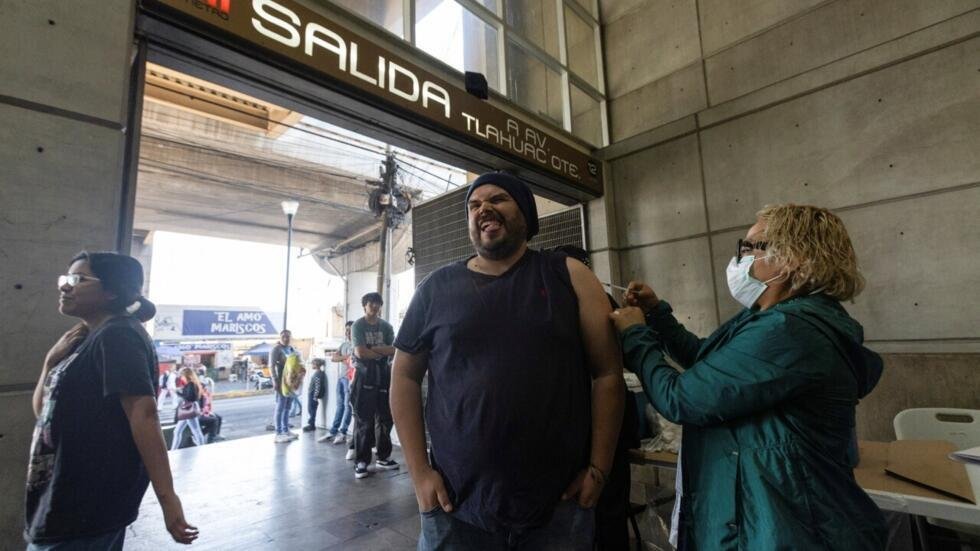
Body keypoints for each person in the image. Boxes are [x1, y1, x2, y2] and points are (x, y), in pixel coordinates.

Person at [609, 204, 887, 549]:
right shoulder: (771, 318)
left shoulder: (789, 330)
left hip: (790, 528)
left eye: (751, 247)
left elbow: (681, 398)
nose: (740, 258)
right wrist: (656, 315)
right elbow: (707, 360)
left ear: (793, 258)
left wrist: (634, 336)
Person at [390, 172, 624, 550]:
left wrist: (599, 469)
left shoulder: (569, 276)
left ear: (526, 215)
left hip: (558, 507)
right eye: (474, 205)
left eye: (497, 199)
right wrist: (419, 473)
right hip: (455, 506)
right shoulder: (435, 288)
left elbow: (608, 374)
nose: (483, 208)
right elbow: (403, 378)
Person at [26, 251, 197, 549]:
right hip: (61, 498)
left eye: (78, 279)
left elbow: (143, 415)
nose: (65, 286)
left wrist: (168, 501)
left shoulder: (118, 335)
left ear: (112, 291)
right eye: (65, 278)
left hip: (87, 505)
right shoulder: (85, 339)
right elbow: (44, 412)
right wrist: (49, 362)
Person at [552, 245, 640, 551]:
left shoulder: (598, 300)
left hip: (603, 427)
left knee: (605, 510)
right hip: (582, 427)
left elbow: (617, 366)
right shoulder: (558, 302)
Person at [350, 292, 398, 479]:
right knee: (364, 420)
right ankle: (361, 461)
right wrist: (380, 351)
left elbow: (394, 350)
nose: (375, 307)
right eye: (371, 304)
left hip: (384, 376)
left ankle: (383, 457)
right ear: (365, 306)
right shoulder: (358, 326)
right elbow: (360, 353)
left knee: (386, 418)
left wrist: (372, 350)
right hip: (364, 377)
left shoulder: (386, 326)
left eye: (378, 304)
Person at [320, 321, 354, 444]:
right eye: (346, 330)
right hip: (341, 378)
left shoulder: (357, 344)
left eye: (350, 329)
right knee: (340, 405)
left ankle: (343, 432)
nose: (348, 332)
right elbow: (334, 358)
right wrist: (346, 357)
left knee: (347, 406)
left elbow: (354, 359)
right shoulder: (344, 344)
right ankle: (333, 431)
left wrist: (344, 358)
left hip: (351, 380)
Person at [270, 330, 299, 443]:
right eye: (283, 336)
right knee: (280, 406)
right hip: (280, 382)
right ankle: (278, 433)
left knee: (287, 407)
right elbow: (271, 366)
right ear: (280, 337)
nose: (286, 338)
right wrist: (275, 381)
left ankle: (286, 430)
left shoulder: (291, 348)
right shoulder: (276, 349)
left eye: (288, 336)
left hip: (290, 382)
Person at [170, 367, 206, 450]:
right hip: (188, 410)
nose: (181, 377)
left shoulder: (191, 384)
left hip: (189, 410)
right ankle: (173, 450)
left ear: (186, 376)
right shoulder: (192, 384)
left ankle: (203, 449)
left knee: (196, 431)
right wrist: (181, 390)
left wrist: (177, 392)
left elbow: (190, 397)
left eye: (182, 376)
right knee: (177, 431)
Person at [198, 377, 224, 443]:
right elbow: (200, 408)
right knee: (214, 420)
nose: (205, 388)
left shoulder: (206, 394)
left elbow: (208, 405)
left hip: (205, 413)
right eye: (203, 386)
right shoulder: (199, 395)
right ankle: (210, 439)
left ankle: (216, 435)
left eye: (204, 386)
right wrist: (208, 413)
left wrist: (210, 412)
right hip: (200, 415)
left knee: (219, 417)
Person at [304, 358, 326, 432]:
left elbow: (317, 386)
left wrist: (315, 396)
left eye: (312, 364)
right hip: (312, 394)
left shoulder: (318, 374)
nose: (311, 365)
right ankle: (311, 424)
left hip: (313, 394)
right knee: (311, 409)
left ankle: (311, 425)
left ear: (316, 365)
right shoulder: (319, 373)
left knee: (311, 410)